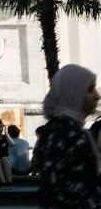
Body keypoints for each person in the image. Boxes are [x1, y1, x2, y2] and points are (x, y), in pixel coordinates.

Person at [33, 63, 101, 209]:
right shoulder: (71, 136)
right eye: (90, 89)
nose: (97, 96)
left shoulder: (53, 131)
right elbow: (80, 194)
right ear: (73, 93)